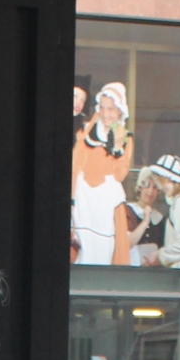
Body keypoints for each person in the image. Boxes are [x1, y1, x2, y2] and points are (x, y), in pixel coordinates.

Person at [70, 84, 131, 265]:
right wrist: (72, 199)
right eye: (103, 108)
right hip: (83, 199)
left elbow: (120, 174)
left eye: (111, 109)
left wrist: (118, 146)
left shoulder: (123, 136)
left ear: (120, 110)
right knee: (83, 249)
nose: (106, 114)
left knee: (105, 250)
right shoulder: (87, 130)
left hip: (106, 200)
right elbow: (75, 165)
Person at [120, 155, 180, 268]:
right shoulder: (128, 211)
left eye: (155, 186)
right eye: (147, 185)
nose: (151, 191)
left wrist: (160, 256)